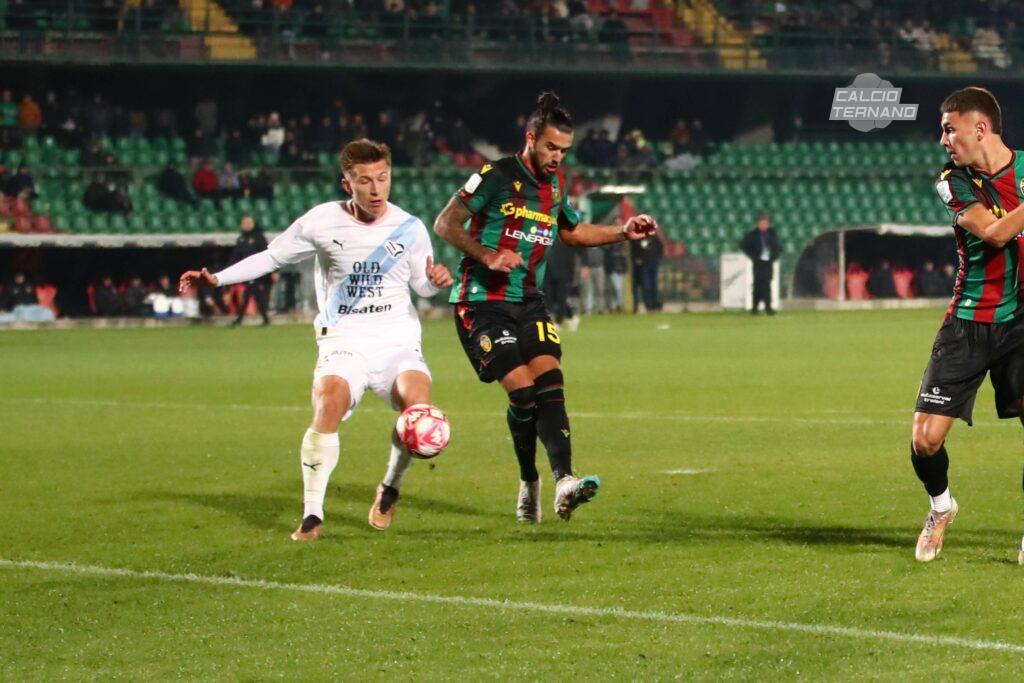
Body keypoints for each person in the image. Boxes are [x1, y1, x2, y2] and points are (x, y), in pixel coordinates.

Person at [179, 138, 453, 541]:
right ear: (348, 184)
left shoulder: (409, 228)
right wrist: (217, 278)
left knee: (419, 410)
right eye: (365, 181)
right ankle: (312, 514)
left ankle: (390, 487)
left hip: (397, 340)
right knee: (329, 403)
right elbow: (271, 257)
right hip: (343, 339)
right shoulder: (321, 221)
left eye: (383, 178)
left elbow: (421, 287)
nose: (376, 190)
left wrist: (433, 282)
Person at [432, 91, 657, 523]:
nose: (557, 157)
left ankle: (565, 482)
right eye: (551, 147)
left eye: (564, 150)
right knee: (522, 391)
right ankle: (528, 480)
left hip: (529, 301)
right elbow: (446, 223)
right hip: (482, 301)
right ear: (531, 138)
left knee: (551, 383)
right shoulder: (495, 175)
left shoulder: (555, 185)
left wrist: (623, 232)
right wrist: (487, 255)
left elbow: (571, 232)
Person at [914, 86, 1024, 564]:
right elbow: (996, 233)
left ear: (980, 128)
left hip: (1021, 323)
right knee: (925, 439)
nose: (943, 139)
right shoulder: (952, 181)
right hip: (967, 320)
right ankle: (941, 506)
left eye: (949, 128)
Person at [229, 215, 273, 327]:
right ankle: (265, 319)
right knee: (256, 295)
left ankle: (239, 320)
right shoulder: (241, 239)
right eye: (245, 223)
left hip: (256, 271)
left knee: (249, 294)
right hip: (246, 271)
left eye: (249, 223)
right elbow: (236, 256)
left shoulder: (259, 238)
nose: (247, 225)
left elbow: (266, 254)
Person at [739, 212, 781, 314]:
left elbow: (778, 247)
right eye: (762, 223)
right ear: (758, 223)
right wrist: (753, 256)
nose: (764, 225)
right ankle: (755, 307)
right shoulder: (753, 234)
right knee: (757, 284)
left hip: (768, 263)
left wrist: (773, 257)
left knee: (767, 284)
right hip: (758, 263)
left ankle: (768, 307)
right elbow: (744, 245)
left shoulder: (772, 233)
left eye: (766, 223)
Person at [630, 231, 663, 312]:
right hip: (643, 264)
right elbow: (633, 249)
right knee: (646, 285)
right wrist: (637, 259)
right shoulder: (637, 237)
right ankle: (649, 305)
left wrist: (658, 257)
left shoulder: (653, 235)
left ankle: (656, 304)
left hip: (653, 263)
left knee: (653, 284)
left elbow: (660, 246)